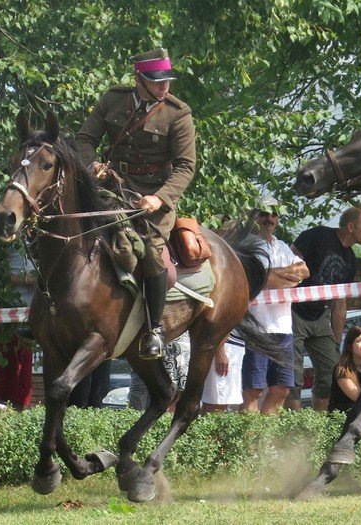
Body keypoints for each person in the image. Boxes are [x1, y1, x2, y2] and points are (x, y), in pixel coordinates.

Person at [76, 48, 196, 360]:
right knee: (70, 231)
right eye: (156, 81)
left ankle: (154, 330)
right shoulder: (113, 99)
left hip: (154, 198)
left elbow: (185, 167)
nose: (164, 86)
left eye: (167, 80)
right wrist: (91, 166)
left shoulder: (177, 113)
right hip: (113, 189)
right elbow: (84, 140)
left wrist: (160, 198)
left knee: (149, 252)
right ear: (138, 79)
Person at [287, 207, 361, 411]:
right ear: (351, 227)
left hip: (319, 318)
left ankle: (318, 425)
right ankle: (292, 432)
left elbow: (340, 303)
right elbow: (288, 261)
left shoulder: (351, 260)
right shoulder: (319, 235)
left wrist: (335, 340)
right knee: (294, 377)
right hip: (293, 312)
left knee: (332, 370)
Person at [241, 196, 308, 415]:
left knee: (282, 389)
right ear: (254, 216)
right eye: (264, 213)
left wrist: (271, 276)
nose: (269, 218)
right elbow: (261, 279)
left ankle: (265, 441)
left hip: (284, 330)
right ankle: (247, 444)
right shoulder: (247, 245)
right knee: (254, 391)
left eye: (274, 214)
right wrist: (286, 276)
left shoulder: (281, 246)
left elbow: (305, 272)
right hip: (256, 329)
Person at [0, 247, 35, 410]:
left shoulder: (35, 234)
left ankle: (21, 415)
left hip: (30, 314)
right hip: (8, 312)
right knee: (7, 368)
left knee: (24, 369)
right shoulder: (5, 234)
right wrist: (30, 280)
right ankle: (1, 412)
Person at [328, 326, 361, 414]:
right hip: (344, 418)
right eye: (359, 341)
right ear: (349, 346)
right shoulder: (342, 369)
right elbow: (359, 398)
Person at [201, 334, 246, 413]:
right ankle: (213, 425)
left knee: (216, 402)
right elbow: (222, 323)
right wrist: (220, 352)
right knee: (219, 402)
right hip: (226, 345)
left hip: (235, 344)